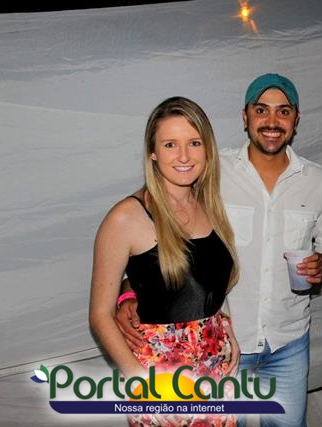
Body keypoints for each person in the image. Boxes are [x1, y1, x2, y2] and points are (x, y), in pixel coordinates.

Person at [117, 74, 322, 427]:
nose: (272, 121)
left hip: (288, 341)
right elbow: (153, 223)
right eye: (261, 110)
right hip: (220, 341)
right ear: (245, 116)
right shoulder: (211, 172)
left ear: (296, 119)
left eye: (283, 111)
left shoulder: (317, 181)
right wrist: (128, 292)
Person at [89, 96, 240, 427]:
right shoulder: (126, 217)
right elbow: (100, 315)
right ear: (152, 152)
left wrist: (227, 332)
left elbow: (205, 285)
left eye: (194, 143)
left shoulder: (208, 204)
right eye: (170, 144)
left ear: (208, 149)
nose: (184, 156)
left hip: (216, 371)